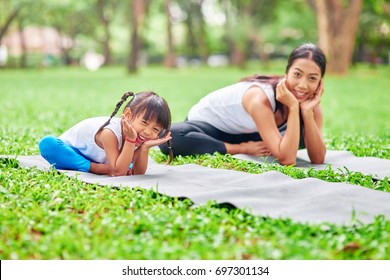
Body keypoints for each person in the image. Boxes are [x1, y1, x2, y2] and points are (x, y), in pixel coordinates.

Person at [160, 43, 326, 165]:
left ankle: (245, 144)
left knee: (302, 135)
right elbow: (288, 159)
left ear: (320, 82)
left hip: (249, 131)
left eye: (312, 78)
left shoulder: (308, 102)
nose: (303, 85)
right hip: (212, 127)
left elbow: (317, 158)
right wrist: (243, 148)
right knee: (169, 138)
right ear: (286, 73)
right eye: (297, 74)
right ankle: (237, 148)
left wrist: (306, 113)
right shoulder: (260, 98)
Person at [39, 91, 172, 176]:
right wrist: (103, 168)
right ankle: (94, 167)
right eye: (144, 122)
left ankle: (106, 165)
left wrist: (144, 148)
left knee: (125, 165)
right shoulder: (109, 132)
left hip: (108, 159)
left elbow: (138, 173)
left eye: (156, 129)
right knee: (48, 144)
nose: (148, 132)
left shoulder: (138, 137)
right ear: (127, 115)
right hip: (73, 152)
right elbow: (118, 172)